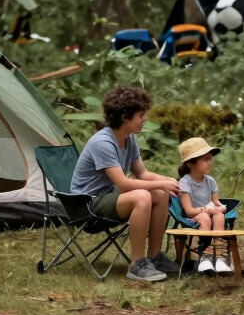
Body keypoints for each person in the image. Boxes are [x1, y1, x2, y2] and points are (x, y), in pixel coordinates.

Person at [69, 86, 180, 282]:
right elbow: (123, 183)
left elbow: (142, 174)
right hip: (87, 204)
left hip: (109, 194)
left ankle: (155, 257)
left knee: (160, 194)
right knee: (142, 196)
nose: (144, 119)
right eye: (140, 115)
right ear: (124, 117)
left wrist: (167, 181)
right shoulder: (102, 143)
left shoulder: (129, 139)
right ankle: (137, 264)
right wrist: (159, 184)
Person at [177, 137, 233, 276]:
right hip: (194, 216)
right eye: (205, 159)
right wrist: (205, 210)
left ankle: (218, 252)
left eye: (210, 158)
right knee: (204, 217)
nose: (210, 162)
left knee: (219, 215)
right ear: (190, 163)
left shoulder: (210, 181)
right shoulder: (185, 182)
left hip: (209, 212)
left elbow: (216, 202)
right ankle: (205, 253)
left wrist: (220, 207)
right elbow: (189, 211)